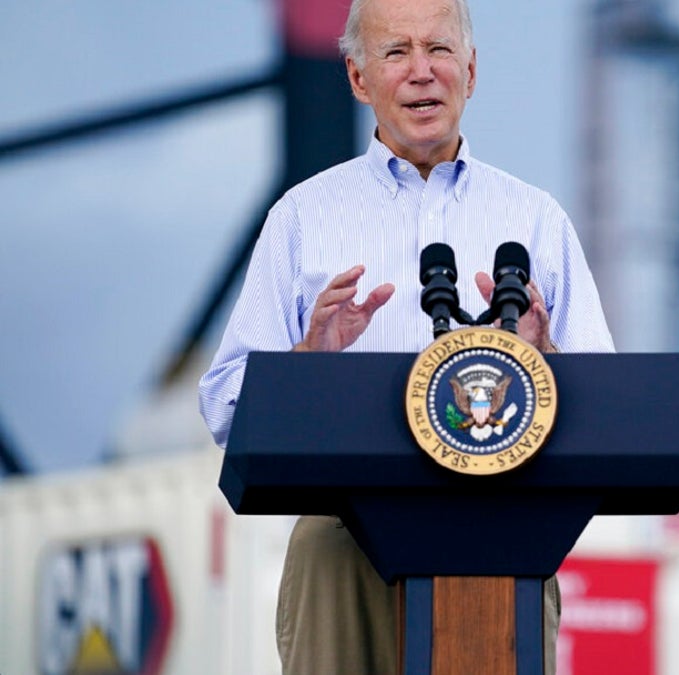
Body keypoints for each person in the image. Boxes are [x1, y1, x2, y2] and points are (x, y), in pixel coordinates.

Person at [198, 0, 614, 672]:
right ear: (359, 80)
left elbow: (611, 409)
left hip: (507, 537)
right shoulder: (302, 217)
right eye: (396, 53)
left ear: (471, 71)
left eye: (439, 50)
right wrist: (308, 361)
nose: (422, 72)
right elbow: (223, 406)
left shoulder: (537, 220)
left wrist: (550, 361)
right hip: (343, 542)